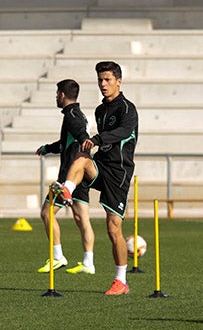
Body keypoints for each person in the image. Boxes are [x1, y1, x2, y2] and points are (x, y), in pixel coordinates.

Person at [50, 61, 138, 296]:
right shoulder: (100, 110)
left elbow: (122, 133)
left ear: (119, 81)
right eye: (100, 80)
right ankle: (66, 190)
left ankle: (121, 280)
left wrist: (98, 139)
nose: (103, 84)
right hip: (101, 166)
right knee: (81, 159)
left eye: (107, 79)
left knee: (113, 229)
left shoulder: (127, 109)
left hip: (119, 173)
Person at [35, 79, 96, 275]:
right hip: (81, 175)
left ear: (62, 94)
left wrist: (85, 141)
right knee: (82, 218)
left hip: (69, 175)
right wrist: (47, 148)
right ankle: (88, 263)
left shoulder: (71, 115)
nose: (56, 98)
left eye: (56, 94)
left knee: (47, 212)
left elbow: (80, 135)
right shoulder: (78, 114)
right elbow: (65, 143)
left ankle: (57, 257)